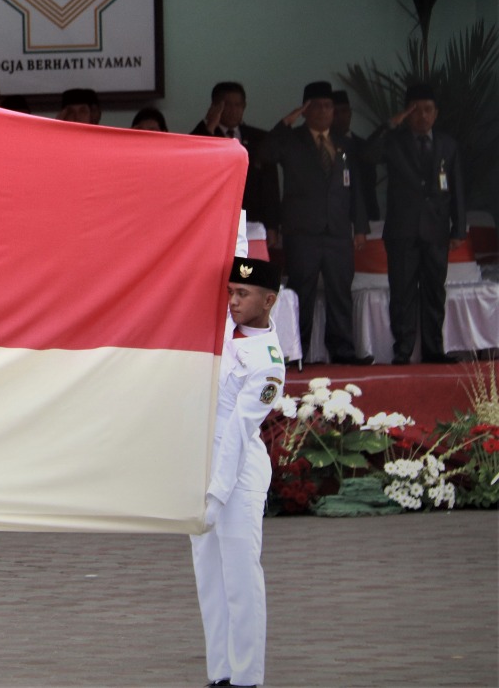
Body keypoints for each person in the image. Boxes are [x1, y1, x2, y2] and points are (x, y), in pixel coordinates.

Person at [193, 256, 285, 688]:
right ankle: (221, 675)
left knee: (241, 578)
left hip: (238, 474)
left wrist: (216, 493)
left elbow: (237, 430)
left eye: (243, 294)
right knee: (210, 579)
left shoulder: (268, 361)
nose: (232, 300)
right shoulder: (224, 331)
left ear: (268, 301)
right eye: (231, 292)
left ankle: (247, 679)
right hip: (204, 467)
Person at [261, 82, 369, 364]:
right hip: (302, 232)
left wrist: (359, 227)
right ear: (305, 110)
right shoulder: (292, 139)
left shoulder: (343, 142)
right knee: (301, 295)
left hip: (337, 232)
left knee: (340, 294)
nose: (324, 111)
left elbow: (355, 187)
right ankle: (298, 352)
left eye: (329, 106)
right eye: (317, 106)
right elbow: (264, 154)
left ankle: (343, 352)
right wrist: (287, 121)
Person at [364, 83, 467, 364]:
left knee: (435, 292)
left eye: (428, 110)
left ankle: (434, 350)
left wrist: (458, 229)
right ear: (407, 114)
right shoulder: (395, 141)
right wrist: (389, 124)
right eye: (416, 111)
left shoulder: (448, 144)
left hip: (436, 231)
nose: (422, 116)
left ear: (436, 113)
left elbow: (457, 188)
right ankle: (403, 350)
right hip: (402, 231)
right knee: (402, 292)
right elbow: (368, 155)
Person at [192, 81, 280, 229]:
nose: (233, 110)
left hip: (253, 219)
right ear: (215, 106)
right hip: (214, 219)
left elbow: (270, 187)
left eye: (238, 105)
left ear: (244, 106)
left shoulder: (260, 138)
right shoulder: (204, 135)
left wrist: (272, 226)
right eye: (227, 105)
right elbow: (193, 159)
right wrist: (210, 125)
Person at [330, 89, 380, 222]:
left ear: (350, 113)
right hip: (334, 220)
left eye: (345, 111)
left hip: (366, 216)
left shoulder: (364, 146)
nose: (340, 117)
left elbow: (369, 186)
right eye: (335, 113)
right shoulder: (323, 148)